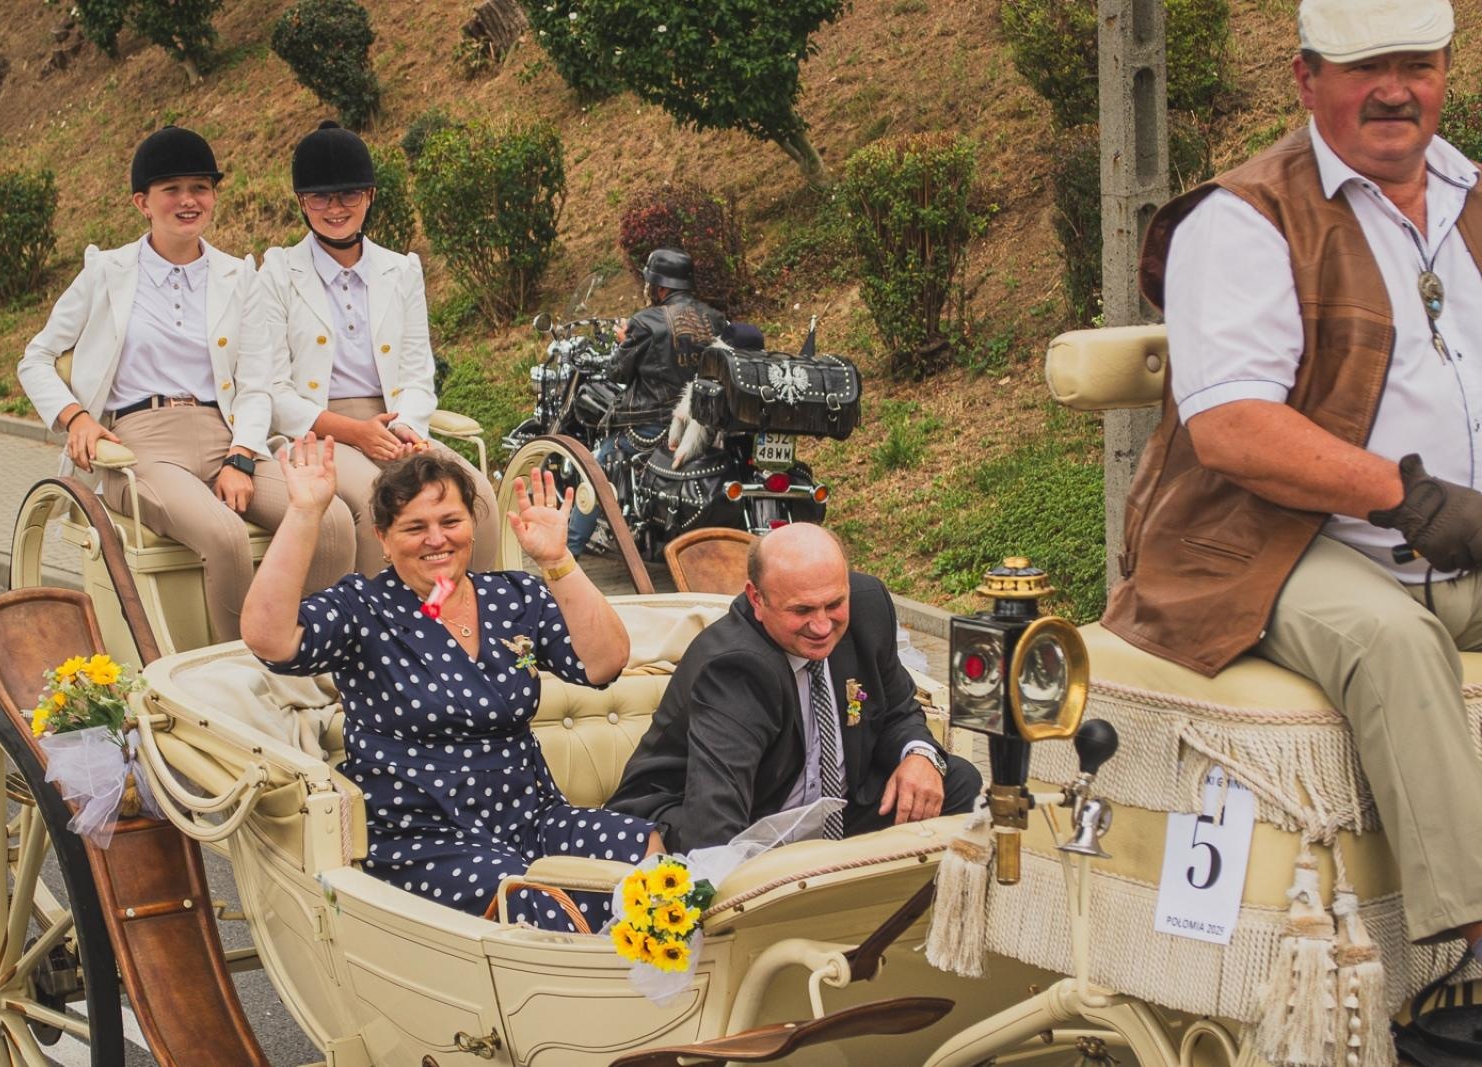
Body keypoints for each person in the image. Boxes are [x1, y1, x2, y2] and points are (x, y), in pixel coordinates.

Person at [1103, 0, 1482, 957]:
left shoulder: (1472, 199)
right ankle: (1474, 949)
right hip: (1267, 546)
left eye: (1417, 63)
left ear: (1447, 67)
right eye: (1367, 67)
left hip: (1460, 538)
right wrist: (1412, 498)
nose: (1396, 89)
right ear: (1307, 79)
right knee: (1392, 641)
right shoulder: (1243, 217)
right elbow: (1232, 428)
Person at [241, 441, 658, 929]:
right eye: (414, 527)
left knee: (652, 855)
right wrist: (306, 512)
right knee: (529, 898)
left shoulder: (513, 595)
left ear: (471, 526)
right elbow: (269, 639)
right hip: (422, 837)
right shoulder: (364, 608)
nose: (436, 540)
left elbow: (604, 662)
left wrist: (558, 559)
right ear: (384, 538)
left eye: (450, 522)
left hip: (531, 818)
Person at [18, 126, 354, 644]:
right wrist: (76, 417)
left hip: (227, 436)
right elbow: (36, 358)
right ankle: (243, 679)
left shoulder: (237, 276)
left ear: (214, 196)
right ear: (142, 203)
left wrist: (242, 455)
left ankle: (317, 660)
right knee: (224, 536)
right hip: (143, 446)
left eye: (200, 187)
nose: (188, 200)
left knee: (331, 519)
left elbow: (257, 383)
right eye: (171, 189)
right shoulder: (107, 272)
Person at [607, 523, 981, 851]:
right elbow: (716, 815)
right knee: (719, 851)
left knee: (958, 780)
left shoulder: (868, 608)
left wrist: (919, 756)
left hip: (831, 811)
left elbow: (898, 711)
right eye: (801, 611)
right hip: (733, 816)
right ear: (757, 599)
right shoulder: (735, 665)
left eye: (834, 604)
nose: (821, 626)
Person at [261, 121, 498, 576]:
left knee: (476, 493)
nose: (336, 208)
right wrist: (357, 433)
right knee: (382, 499)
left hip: (393, 425)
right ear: (301, 202)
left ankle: (469, 615)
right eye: (321, 197)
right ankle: (379, 633)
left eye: (349, 194)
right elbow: (273, 390)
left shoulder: (400, 270)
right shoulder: (277, 273)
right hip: (317, 430)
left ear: (369, 195)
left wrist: (407, 426)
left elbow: (415, 372)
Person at [567, 247, 728, 556]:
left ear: (661, 286)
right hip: (700, 421)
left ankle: (567, 554)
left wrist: (622, 342)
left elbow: (618, 371)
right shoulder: (715, 319)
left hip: (650, 424)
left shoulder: (646, 321)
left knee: (595, 470)